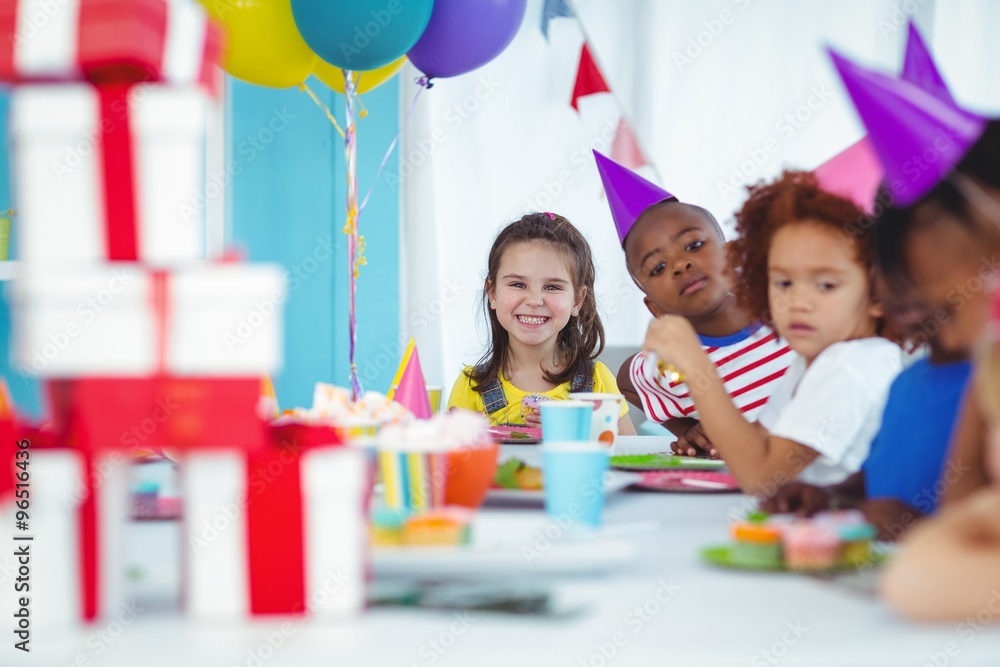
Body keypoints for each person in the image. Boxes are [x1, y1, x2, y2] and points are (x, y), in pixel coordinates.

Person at [643, 171, 902, 496]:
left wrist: (697, 369)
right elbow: (760, 441)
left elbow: (761, 476)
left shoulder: (849, 365)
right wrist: (711, 440)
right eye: (783, 283)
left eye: (826, 285)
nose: (798, 302)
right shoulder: (813, 360)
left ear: (878, 295)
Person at [593, 151, 792, 456]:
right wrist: (689, 430)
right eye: (658, 267)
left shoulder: (789, 315)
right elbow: (626, 378)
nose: (680, 265)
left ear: (733, 255)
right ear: (655, 308)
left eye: (694, 245)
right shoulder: (669, 363)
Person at [760, 273, 973, 540]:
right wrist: (831, 495)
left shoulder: (983, 384)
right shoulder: (909, 379)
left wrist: (917, 529)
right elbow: (879, 472)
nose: (911, 292)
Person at [447, 212, 634, 432]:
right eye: (517, 284)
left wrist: (577, 432)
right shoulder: (471, 387)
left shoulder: (597, 381)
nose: (534, 301)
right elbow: (451, 462)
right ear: (492, 293)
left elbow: (628, 456)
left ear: (577, 300)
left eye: (552, 287)